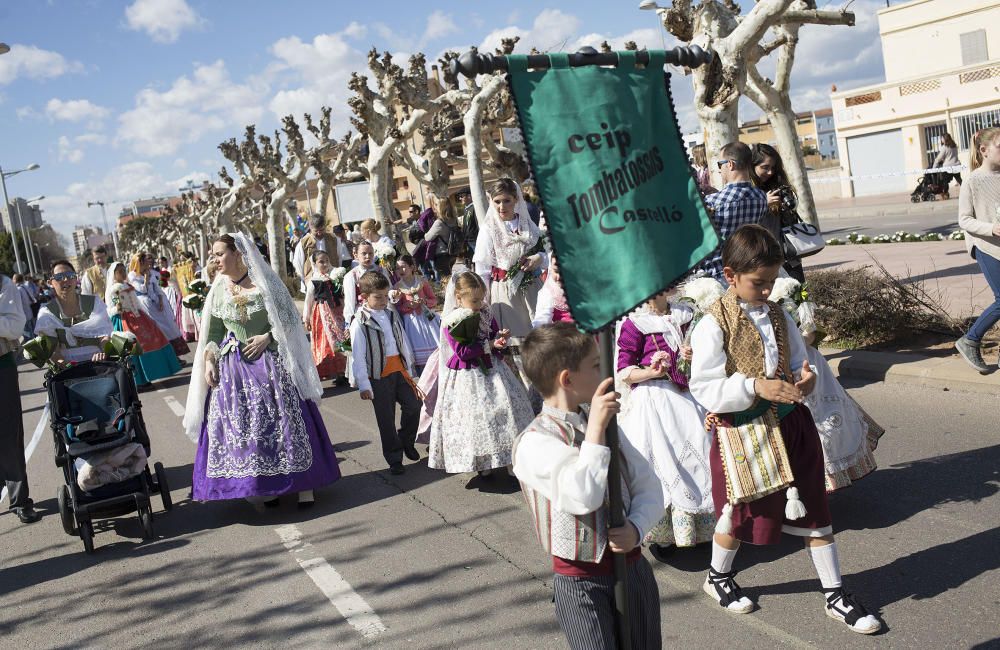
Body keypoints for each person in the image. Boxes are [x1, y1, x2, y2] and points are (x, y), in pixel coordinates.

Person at [689, 225, 881, 634]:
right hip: (743, 434)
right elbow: (703, 386)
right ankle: (717, 577)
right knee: (739, 513)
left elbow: (798, 361)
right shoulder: (712, 325)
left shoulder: (778, 314)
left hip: (792, 426)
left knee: (814, 506)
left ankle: (834, 594)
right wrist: (753, 385)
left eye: (772, 281)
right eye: (759, 283)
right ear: (730, 275)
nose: (767, 290)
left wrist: (804, 377)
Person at [513, 323, 664, 649]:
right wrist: (595, 429)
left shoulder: (605, 423)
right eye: (596, 366)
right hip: (581, 583)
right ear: (567, 379)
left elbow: (648, 484)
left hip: (633, 569)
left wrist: (636, 528)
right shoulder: (532, 443)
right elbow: (582, 496)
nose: (606, 373)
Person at [182, 234, 340, 506]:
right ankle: (268, 485)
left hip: (270, 361)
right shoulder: (219, 288)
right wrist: (210, 359)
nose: (214, 260)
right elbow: (215, 331)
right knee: (248, 428)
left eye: (219, 254)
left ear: (238, 253)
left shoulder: (265, 283)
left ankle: (305, 486)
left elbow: (289, 320)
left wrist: (268, 336)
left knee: (286, 420)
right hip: (235, 367)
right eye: (213, 255)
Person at [616, 292, 714, 558]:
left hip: (688, 394)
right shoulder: (635, 323)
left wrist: (695, 355)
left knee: (701, 449)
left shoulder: (687, 314)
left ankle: (703, 526)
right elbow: (624, 370)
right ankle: (666, 534)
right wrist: (651, 371)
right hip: (655, 397)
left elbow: (708, 352)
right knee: (662, 459)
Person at [428, 271, 533, 477]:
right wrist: (489, 344)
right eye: (474, 300)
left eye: (481, 299)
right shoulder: (453, 320)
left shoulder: (486, 312)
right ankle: (482, 462)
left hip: (493, 368)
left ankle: (511, 460)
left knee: (505, 410)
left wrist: (499, 339)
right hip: (468, 374)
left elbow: (492, 335)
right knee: (477, 418)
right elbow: (463, 352)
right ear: (459, 298)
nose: (479, 303)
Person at [349, 270, 421, 476]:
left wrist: (409, 368)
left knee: (414, 406)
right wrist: (363, 383)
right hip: (378, 376)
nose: (383, 300)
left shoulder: (390, 313)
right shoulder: (360, 321)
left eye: (385, 295)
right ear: (364, 297)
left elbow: (401, 341)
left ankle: (406, 440)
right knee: (386, 418)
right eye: (377, 297)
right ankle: (394, 457)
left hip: (399, 370)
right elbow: (358, 355)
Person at [473, 178, 546, 341]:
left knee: (542, 341)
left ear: (516, 199)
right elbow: (482, 270)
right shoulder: (488, 229)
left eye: (507, 201)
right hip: (506, 292)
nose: (502, 206)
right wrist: (483, 303)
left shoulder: (527, 224)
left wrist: (538, 258)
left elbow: (545, 253)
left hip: (533, 288)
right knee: (516, 342)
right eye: (497, 201)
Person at [955, 127, 1000, 373]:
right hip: (985, 245)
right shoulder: (972, 180)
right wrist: (991, 228)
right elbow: (964, 220)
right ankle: (970, 340)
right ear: (984, 150)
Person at [698, 142, 769, 281]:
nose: (719, 170)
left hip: (718, 274)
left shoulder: (713, 201)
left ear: (730, 164)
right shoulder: (761, 197)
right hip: (747, 269)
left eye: (720, 164)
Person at [0, 272, 39, 524]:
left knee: (8, 432)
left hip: (1, 364)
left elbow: (15, 325)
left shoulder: (4, 284)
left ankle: (19, 500)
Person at [105, 262, 181, 388]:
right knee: (133, 347)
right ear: (114, 274)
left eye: (124, 270)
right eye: (120, 271)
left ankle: (151, 374)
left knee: (152, 339)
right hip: (124, 320)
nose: (123, 273)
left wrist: (146, 316)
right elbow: (109, 309)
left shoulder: (127, 285)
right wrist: (117, 309)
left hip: (138, 317)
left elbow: (136, 302)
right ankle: (138, 380)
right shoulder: (111, 290)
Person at [34, 260, 113, 364]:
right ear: (50, 283)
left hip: (98, 363)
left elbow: (105, 334)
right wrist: (64, 364)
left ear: (76, 279)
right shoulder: (47, 313)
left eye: (70, 275)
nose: (66, 280)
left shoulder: (94, 302)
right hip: (69, 369)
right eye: (59, 277)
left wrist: (104, 352)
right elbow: (54, 351)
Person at [750, 143, 806, 282]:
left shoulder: (778, 186)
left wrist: (786, 205)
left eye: (773, 168)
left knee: (798, 296)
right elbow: (745, 225)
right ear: (752, 166)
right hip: (761, 259)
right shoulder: (748, 192)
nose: (770, 172)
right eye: (765, 167)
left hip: (787, 256)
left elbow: (791, 220)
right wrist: (764, 203)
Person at [128, 252, 190, 357]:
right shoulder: (133, 276)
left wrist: (161, 300)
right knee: (158, 330)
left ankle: (174, 355)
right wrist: (146, 279)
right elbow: (142, 289)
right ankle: (166, 357)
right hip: (145, 305)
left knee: (168, 327)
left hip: (157, 302)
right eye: (143, 262)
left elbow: (157, 288)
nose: (146, 265)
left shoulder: (149, 272)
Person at [303, 250, 349, 385]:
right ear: (315, 264)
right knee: (327, 343)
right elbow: (308, 300)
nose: (325, 264)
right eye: (321, 262)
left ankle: (345, 372)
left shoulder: (336, 274)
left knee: (340, 339)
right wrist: (306, 318)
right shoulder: (314, 280)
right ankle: (332, 371)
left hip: (337, 312)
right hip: (321, 315)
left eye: (326, 260)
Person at [394, 254, 440, 374]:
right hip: (412, 323)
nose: (401, 271)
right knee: (418, 350)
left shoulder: (422, 281)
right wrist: (408, 306)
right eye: (398, 268)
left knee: (435, 349)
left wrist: (424, 302)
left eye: (403, 267)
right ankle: (423, 375)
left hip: (427, 319)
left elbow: (434, 299)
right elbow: (397, 308)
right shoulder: (397, 287)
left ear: (412, 267)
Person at [342, 241, 395, 325]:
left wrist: (393, 295)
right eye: (364, 253)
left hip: (383, 311)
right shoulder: (351, 276)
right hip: (364, 315)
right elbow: (350, 302)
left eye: (370, 253)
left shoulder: (381, 270)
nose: (368, 257)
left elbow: (389, 290)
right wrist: (349, 321)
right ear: (356, 255)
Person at [292, 213, 341, 290]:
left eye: (322, 230)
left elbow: (339, 257)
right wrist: (306, 279)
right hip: (313, 282)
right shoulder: (303, 243)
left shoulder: (334, 239)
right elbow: (298, 264)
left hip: (333, 279)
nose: (319, 233)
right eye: (316, 231)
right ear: (310, 228)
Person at [531, 258, 573, 327]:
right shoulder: (550, 290)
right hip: (563, 334)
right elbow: (542, 318)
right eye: (556, 271)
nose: (559, 277)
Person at [458, 190, 479, 263]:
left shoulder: (474, 208)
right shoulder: (467, 209)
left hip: (474, 239)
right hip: (468, 240)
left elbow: (477, 224)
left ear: (469, 196)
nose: (460, 198)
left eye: (462, 196)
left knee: (479, 260)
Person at [13, 273, 35, 341]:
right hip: (30, 313)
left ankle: (35, 350)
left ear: (15, 280)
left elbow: (16, 304)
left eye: (13, 279)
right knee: (33, 334)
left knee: (28, 337)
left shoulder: (18, 290)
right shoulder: (25, 287)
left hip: (23, 316)